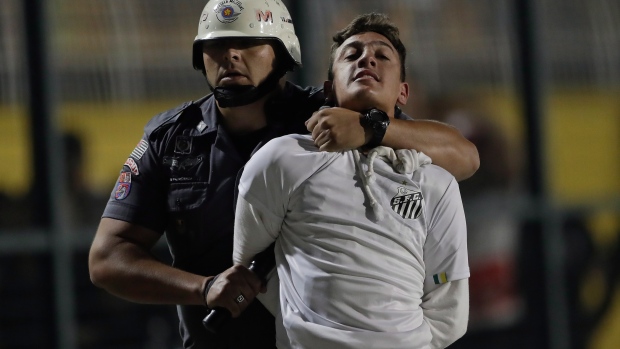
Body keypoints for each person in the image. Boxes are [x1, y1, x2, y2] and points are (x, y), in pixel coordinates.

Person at [88, 1, 478, 348]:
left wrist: (374, 128)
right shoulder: (170, 138)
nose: (230, 56)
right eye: (216, 45)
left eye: (247, 44)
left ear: (283, 53)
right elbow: (108, 259)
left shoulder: (330, 112)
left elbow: (463, 157)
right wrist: (203, 288)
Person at [233, 12, 469, 349]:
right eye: (352, 54)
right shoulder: (282, 159)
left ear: (403, 92)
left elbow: (449, 304)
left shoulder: (434, 180)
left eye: (382, 55)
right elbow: (248, 264)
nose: (367, 58)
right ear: (329, 89)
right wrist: (309, 327)